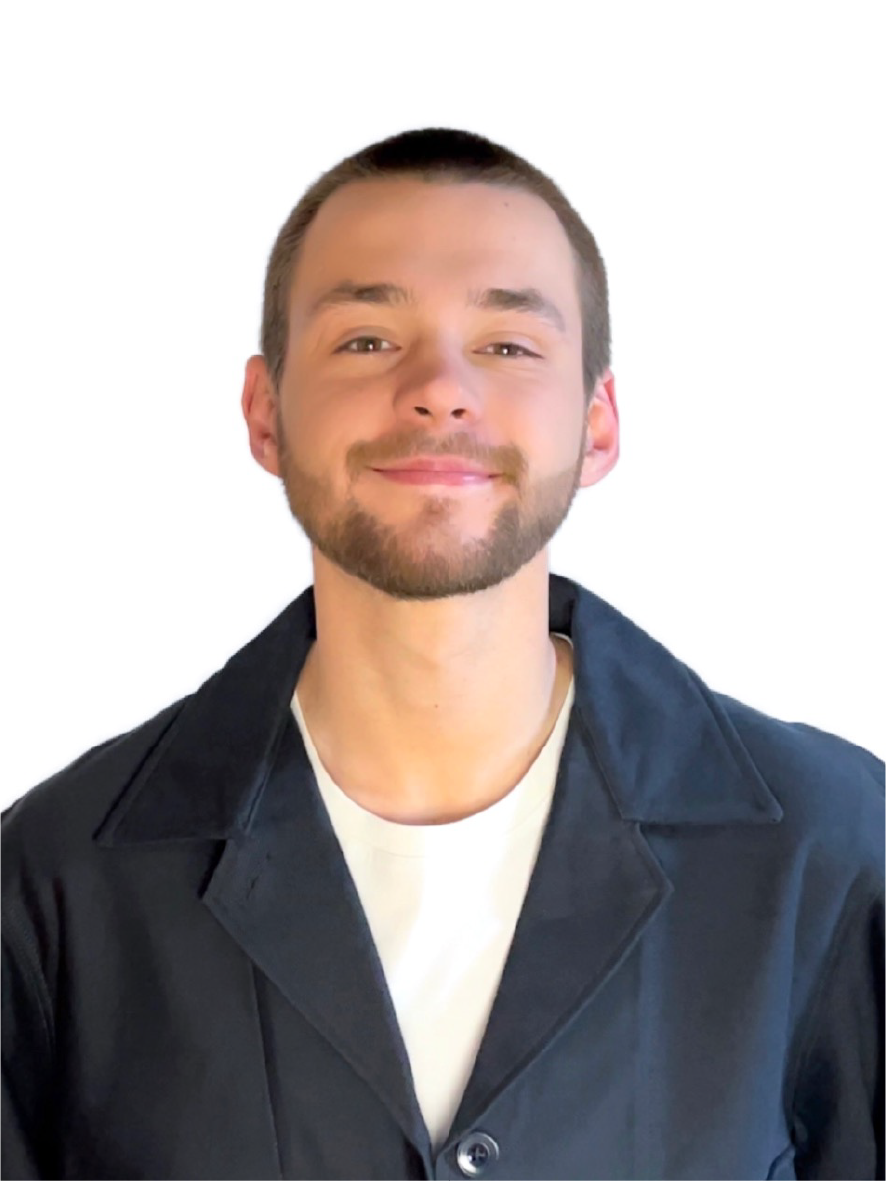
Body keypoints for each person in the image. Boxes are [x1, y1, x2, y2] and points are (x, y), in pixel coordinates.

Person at [1, 126, 884, 1181]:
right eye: (367, 339)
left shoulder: (833, 854)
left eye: (508, 346)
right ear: (265, 414)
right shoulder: (54, 887)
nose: (439, 388)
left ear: (598, 423)